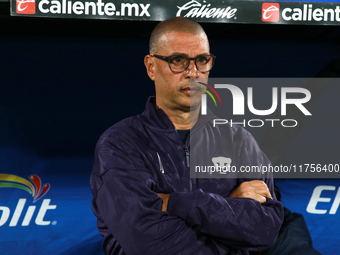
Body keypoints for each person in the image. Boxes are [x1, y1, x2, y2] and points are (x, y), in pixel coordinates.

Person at [90, 17, 284, 255]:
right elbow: (148, 244)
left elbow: (264, 230)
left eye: (202, 60)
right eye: (178, 61)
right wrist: (229, 205)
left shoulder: (239, 141)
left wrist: (173, 203)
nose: (193, 72)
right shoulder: (120, 143)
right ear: (151, 67)